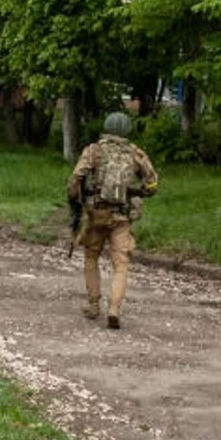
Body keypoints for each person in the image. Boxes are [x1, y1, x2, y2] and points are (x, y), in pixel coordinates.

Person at [67, 111, 159, 330]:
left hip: (96, 213)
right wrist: (139, 192)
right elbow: (153, 183)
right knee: (121, 264)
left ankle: (93, 304)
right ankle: (114, 309)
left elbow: (76, 178)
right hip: (122, 217)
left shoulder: (94, 150)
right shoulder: (136, 153)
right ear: (128, 130)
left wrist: (75, 204)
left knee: (91, 257)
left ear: (106, 128)